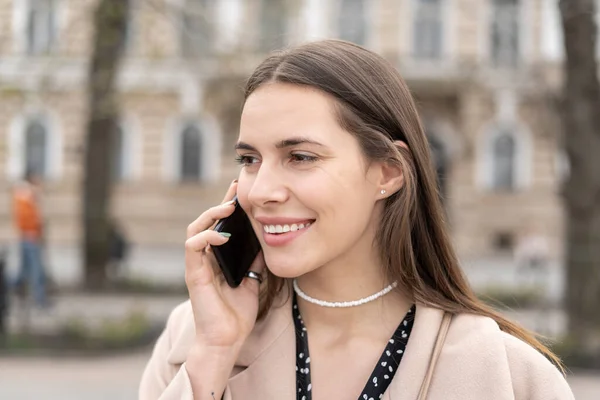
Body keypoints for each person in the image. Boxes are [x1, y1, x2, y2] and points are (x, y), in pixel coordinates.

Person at [139, 40, 573, 399]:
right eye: (249, 159)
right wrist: (214, 356)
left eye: (300, 157)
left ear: (388, 171)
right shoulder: (195, 341)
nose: (260, 190)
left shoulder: (510, 377)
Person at [12, 169, 49, 308]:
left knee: (24, 271)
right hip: (30, 236)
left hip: (29, 236)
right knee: (36, 270)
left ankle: (14, 292)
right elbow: (28, 218)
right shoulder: (25, 195)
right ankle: (40, 299)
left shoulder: (27, 195)